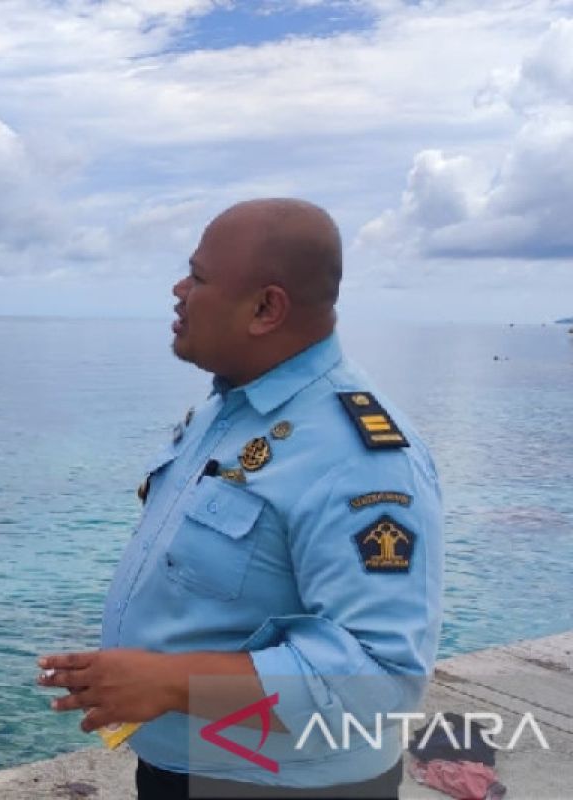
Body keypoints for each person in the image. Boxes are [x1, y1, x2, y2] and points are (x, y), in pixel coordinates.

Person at [39, 199, 442, 799]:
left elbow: (380, 678)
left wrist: (174, 683)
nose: (178, 290)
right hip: (197, 768)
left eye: (198, 277)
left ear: (264, 308)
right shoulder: (228, 411)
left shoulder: (358, 456)